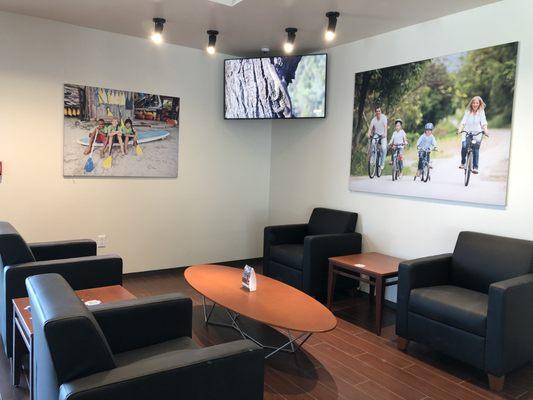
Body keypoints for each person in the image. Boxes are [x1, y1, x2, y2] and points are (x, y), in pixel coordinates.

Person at [457, 96, 488, 174]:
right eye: (473, 103)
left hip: (477, 133)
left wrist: (486, 131)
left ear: (479, 104)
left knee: (475, 149)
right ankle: (463, 162)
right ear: (471, 104)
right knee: (464, 146)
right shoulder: (468, 111)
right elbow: (463, 122)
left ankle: (475, 167)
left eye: (477, 103)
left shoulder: (481, 112)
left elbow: (484, 123)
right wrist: (460, 129)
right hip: (467, 132)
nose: (475, 104)